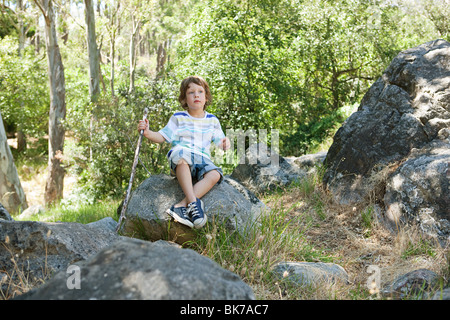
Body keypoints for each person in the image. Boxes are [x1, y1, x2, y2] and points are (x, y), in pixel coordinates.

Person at [138, 75, 230, 229]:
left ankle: (181, 205)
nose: (196, 95)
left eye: (200, 92)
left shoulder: (212, 120)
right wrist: (147, 132)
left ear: (206, 97)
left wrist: (224, 144)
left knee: (215, 174)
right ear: (184, 99)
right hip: (182, 155)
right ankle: (194, 203)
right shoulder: (178, 118)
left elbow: (220, 140)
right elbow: (162, 136)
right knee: (181, 158)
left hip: (202, 159)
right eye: (191, 92)